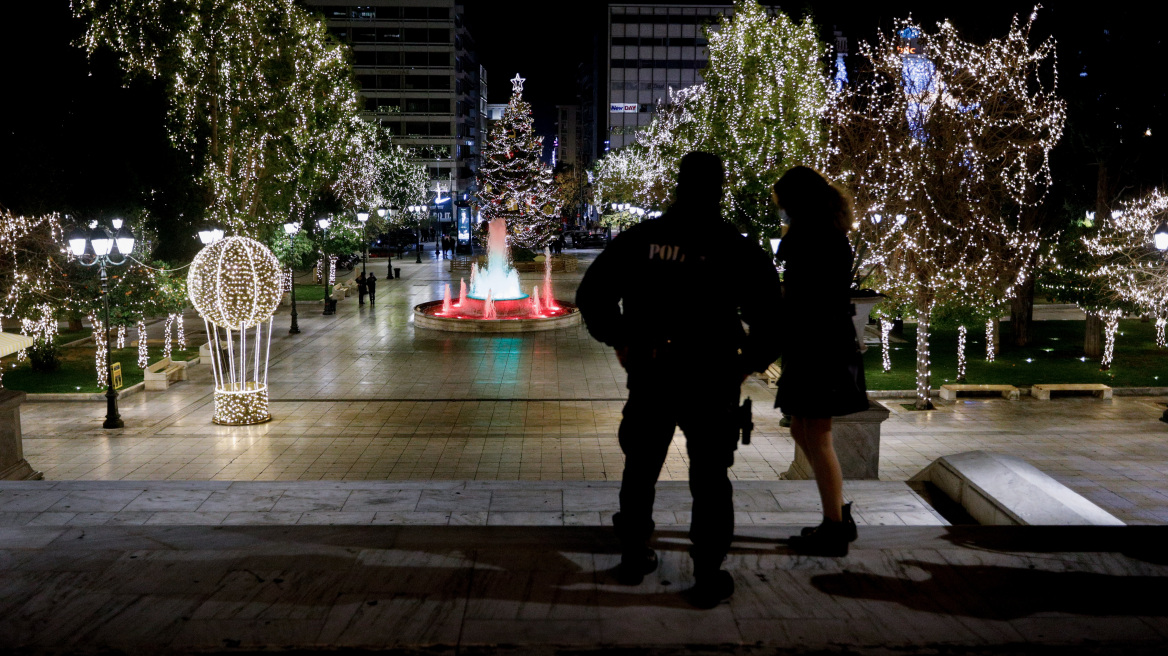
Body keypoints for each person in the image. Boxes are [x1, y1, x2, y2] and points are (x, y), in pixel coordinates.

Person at [576, 151, 782, 608]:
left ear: (678, 185)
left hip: (653, 370)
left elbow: (592, 294)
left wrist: (621, 339)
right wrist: (748, 361)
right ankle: (708, 572)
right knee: (710, 477)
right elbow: (771, 314)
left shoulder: (643, 239)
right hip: (712, 376)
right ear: (720, 189)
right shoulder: (734, 245)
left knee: (641, 467)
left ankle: (633, 556)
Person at [772, 165, 868, 557]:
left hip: (819, 347)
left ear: (798, 202)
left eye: (783, 204)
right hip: (815, 343)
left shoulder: (815, 236)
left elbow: (806, 296)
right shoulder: (821, 232)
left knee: (818, 433)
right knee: (801, 430)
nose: (781, 212)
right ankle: (836, 513)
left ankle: (835, 526)